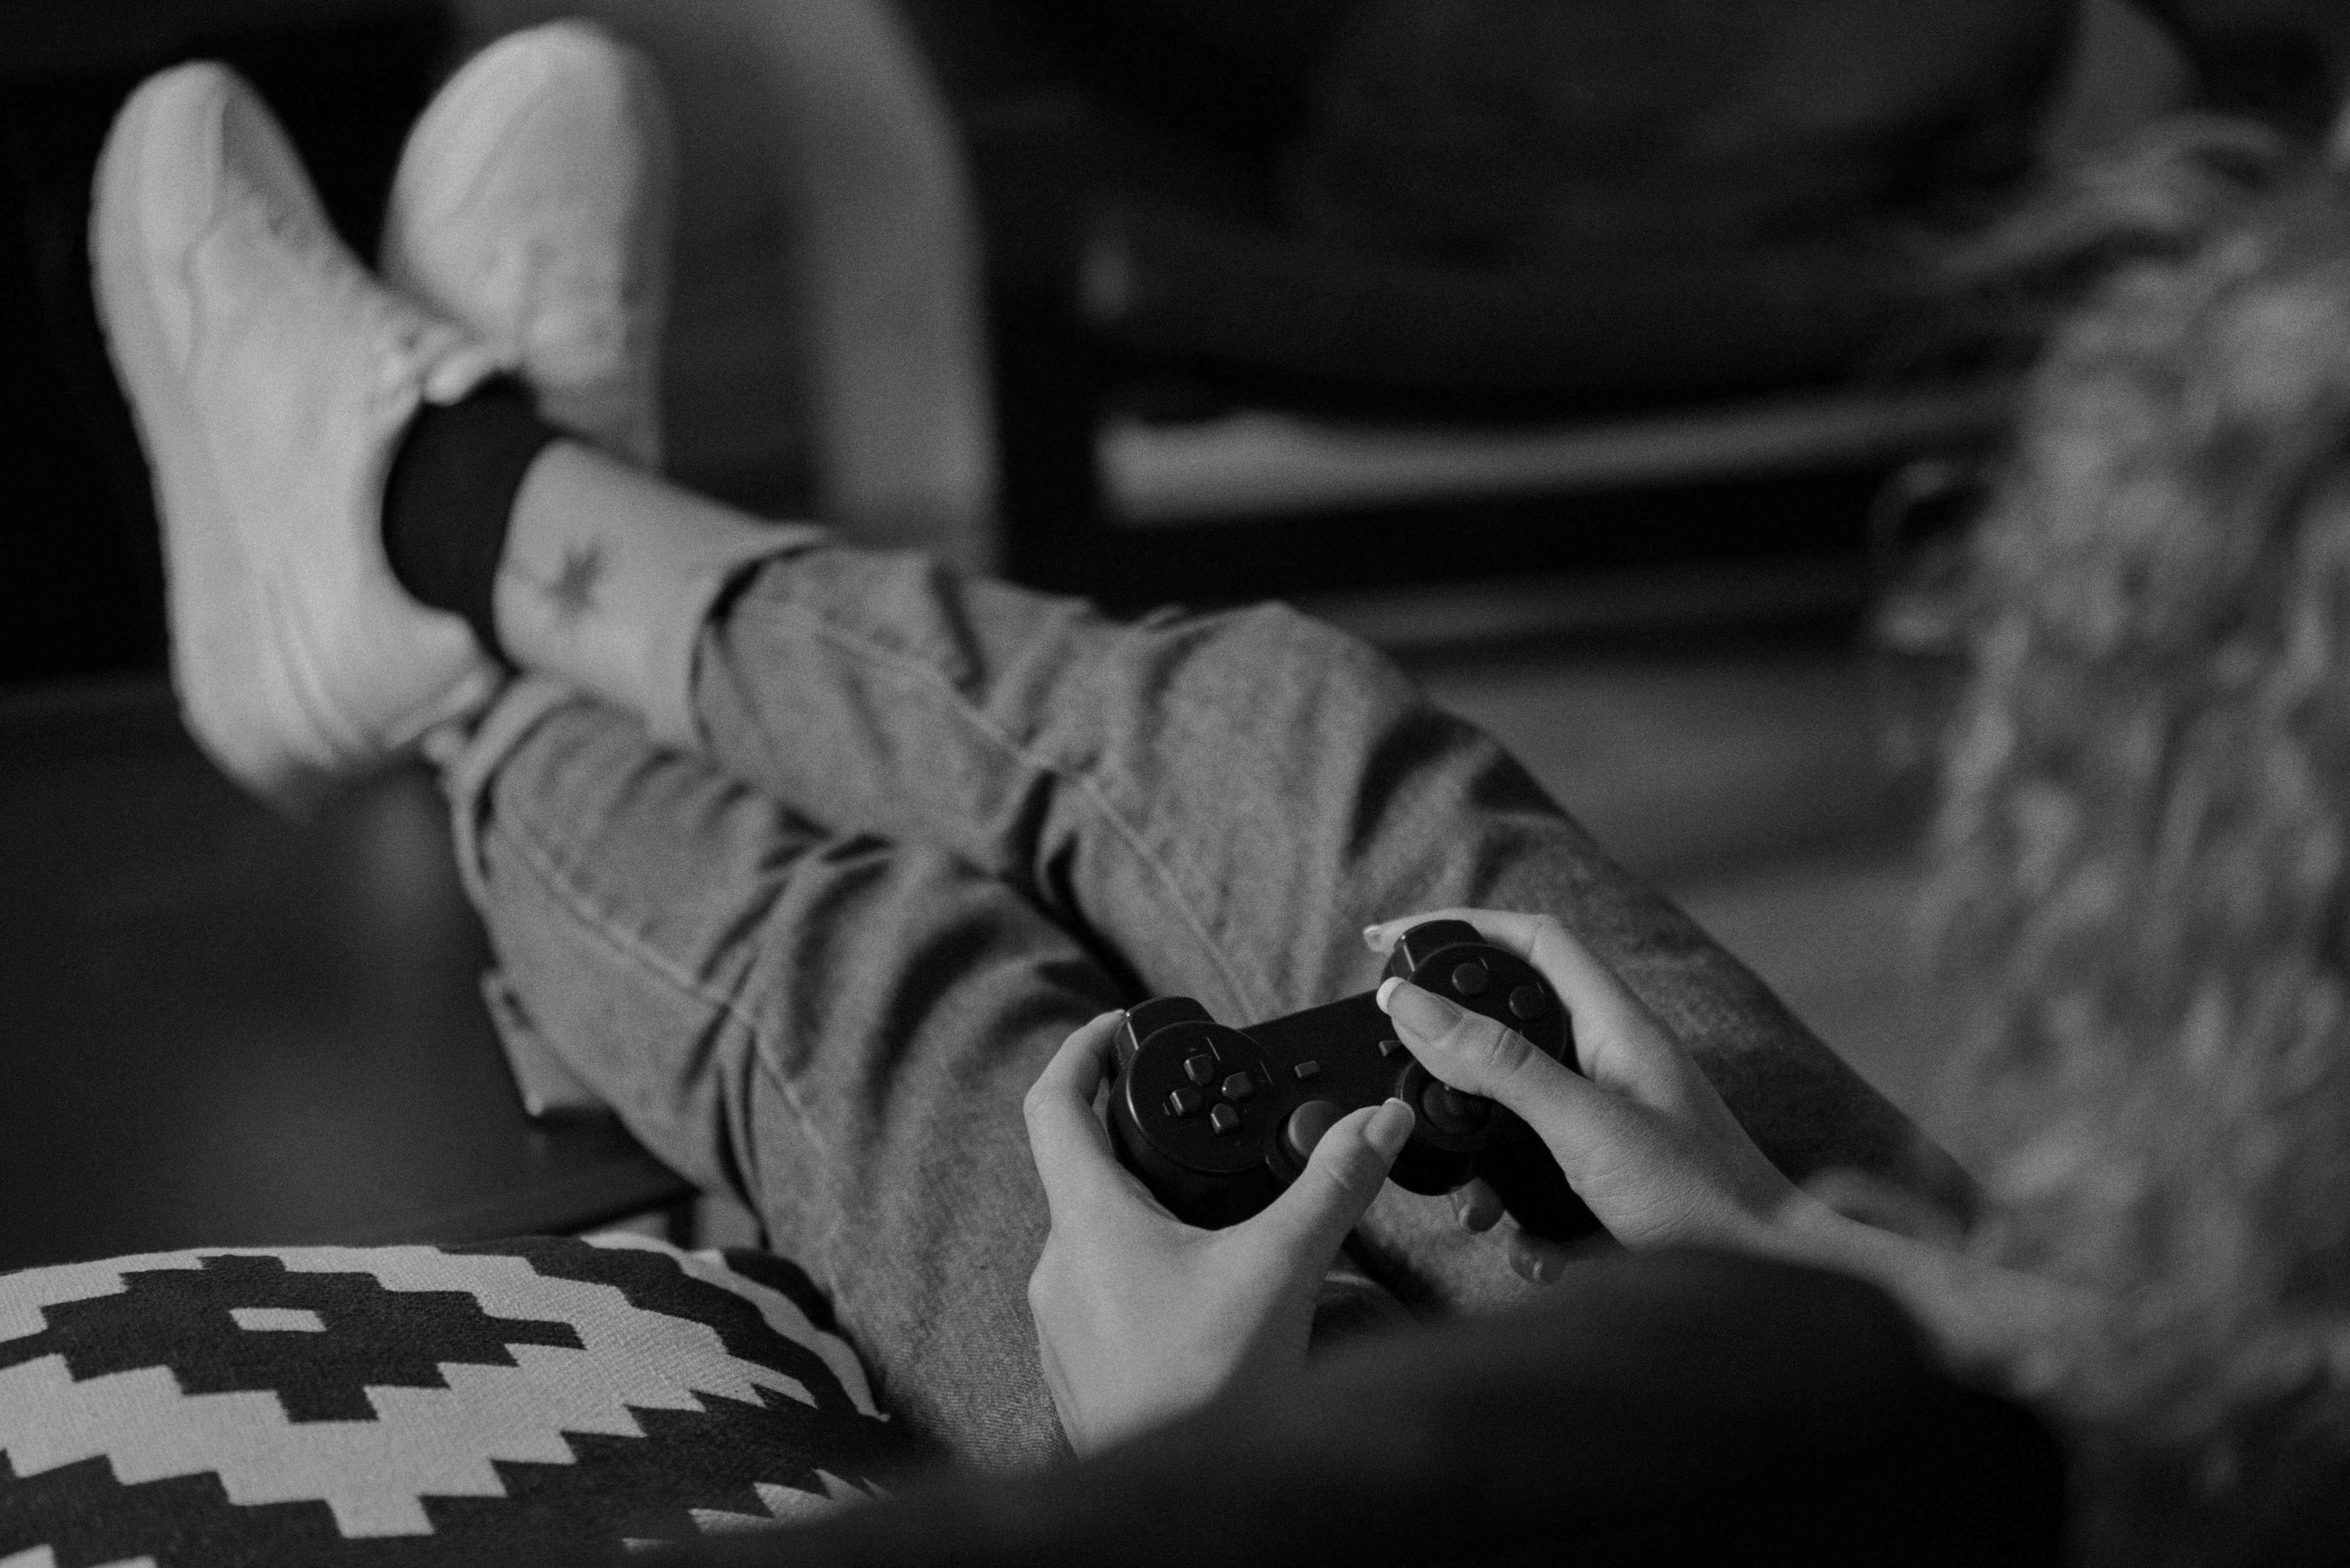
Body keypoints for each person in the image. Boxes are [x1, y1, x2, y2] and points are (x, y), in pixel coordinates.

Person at [88, 22, 1978, 1480]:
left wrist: (1182, 1477)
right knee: (1284, 720)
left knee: (904, 999)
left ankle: (469, 596)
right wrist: (1809, 1268)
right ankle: (480, 544)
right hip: (1978, 1374)